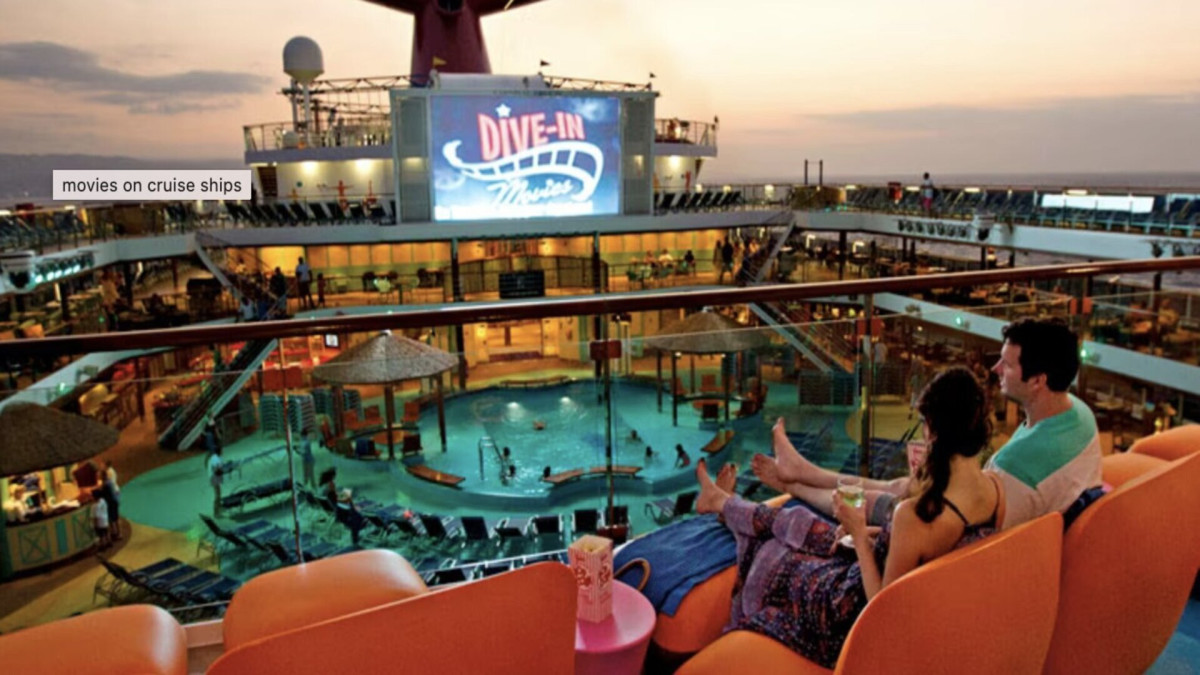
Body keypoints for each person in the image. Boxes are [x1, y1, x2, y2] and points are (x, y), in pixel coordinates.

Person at [695, 366, 1001, 667]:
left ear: (933, 429)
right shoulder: (993, 491)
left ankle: (724, 504)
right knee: (801, 522)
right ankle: (726, 504)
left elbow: (881, 608)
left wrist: (858, 533)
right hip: (889, 577)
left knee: (776, 554)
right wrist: (872, 534)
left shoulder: (915, 516)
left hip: (846, 613)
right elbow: (923, 555)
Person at [754, 317, 1100, 531]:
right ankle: (801, 471)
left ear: (1038, 380)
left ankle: (794, 483)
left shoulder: (1019, 465)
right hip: (978, 515)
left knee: (886, 495)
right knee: (901, 484)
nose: (995, 370)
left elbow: (952, 511)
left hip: (952, 532)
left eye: (1007, 365)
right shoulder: (1078, 416)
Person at [321, 467, 365, 546]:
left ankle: (356, 537)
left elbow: (336, 497)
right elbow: (338, 499)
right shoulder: (331, 485)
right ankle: (355, 540)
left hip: (339, 510)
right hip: (342, 512)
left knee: (348, 494)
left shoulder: (327, 488)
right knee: (356, 515)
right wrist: (346, 497)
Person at [207, 442, 225, 517]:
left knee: (218, 493)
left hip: (214, 476)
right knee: (217, 495)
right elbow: (216, 470)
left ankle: (219, 509)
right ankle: (216, 512)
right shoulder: (215, 459)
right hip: (214, 477)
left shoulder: (215, 457)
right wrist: (223, 471)